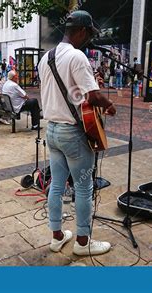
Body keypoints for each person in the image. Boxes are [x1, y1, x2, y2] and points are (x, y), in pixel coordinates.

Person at [38, 10, 117, 256]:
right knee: (83, 189)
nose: (87, 40)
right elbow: (92, 97)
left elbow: (74, 94)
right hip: (72, 133)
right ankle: (84, 242)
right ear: (81, 31)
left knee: (57, 186)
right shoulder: (77, 57)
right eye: (88, 35)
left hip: (51, 130)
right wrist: (109, 106)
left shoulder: (45, 57)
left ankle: (57, 237)